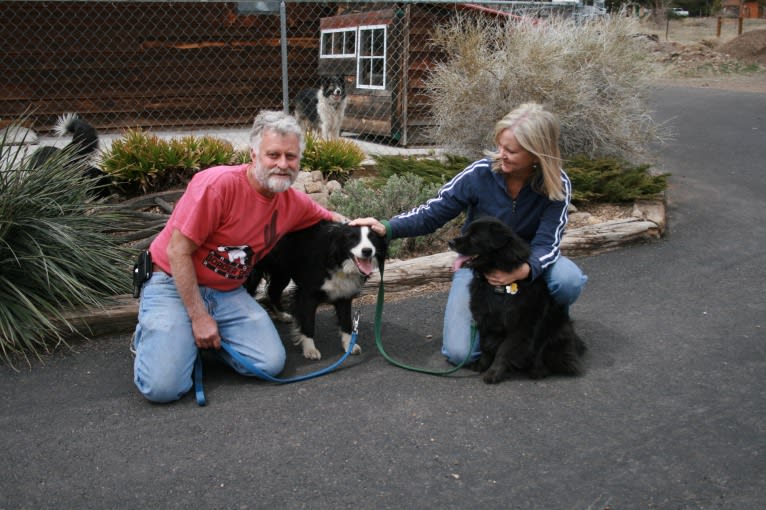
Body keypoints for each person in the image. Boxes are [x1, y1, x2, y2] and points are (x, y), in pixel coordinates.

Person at [132, 110, 346, 403]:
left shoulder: (292, 202)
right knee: (163, 388)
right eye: (273, 155)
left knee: (268, 363)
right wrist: (198, 316)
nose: (283, 165)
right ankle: (154, 336)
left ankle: (193, 342)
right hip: (171, 282)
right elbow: (177, 250)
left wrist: (369, 228)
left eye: (291, 156)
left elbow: (332, 217)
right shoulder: (217, 186)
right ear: (253, 154)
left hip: (226, 291)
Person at [351, 102, 587, 365]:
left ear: (536, 154)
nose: (501, 154)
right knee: (460, 354)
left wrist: (522, 271)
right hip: (478, 264)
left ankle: (548, 330)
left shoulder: (556, 184)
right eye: (499, 146)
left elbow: (548, 243)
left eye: (511, 150)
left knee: (568, 280)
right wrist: (389, 227)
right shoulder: (480, 174)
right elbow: (434, 212)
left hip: (527, 264)